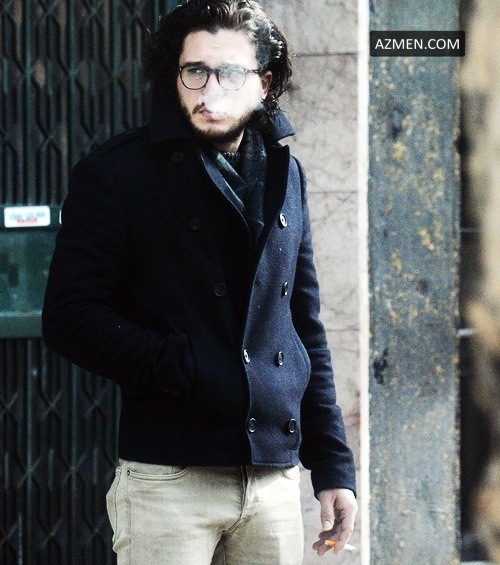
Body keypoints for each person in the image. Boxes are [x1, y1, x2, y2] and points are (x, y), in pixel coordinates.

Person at [42, 1, 357, 563]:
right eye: (195, 72)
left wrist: (333, 465)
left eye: (230, 73)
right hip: (170, 477)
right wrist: (183, 366)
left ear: (263, 84)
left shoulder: (286, 173)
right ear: (174, 76)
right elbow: (70, 317)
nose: (210, 91)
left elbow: (301, 325)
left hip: (272, 479)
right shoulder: (117, 173)